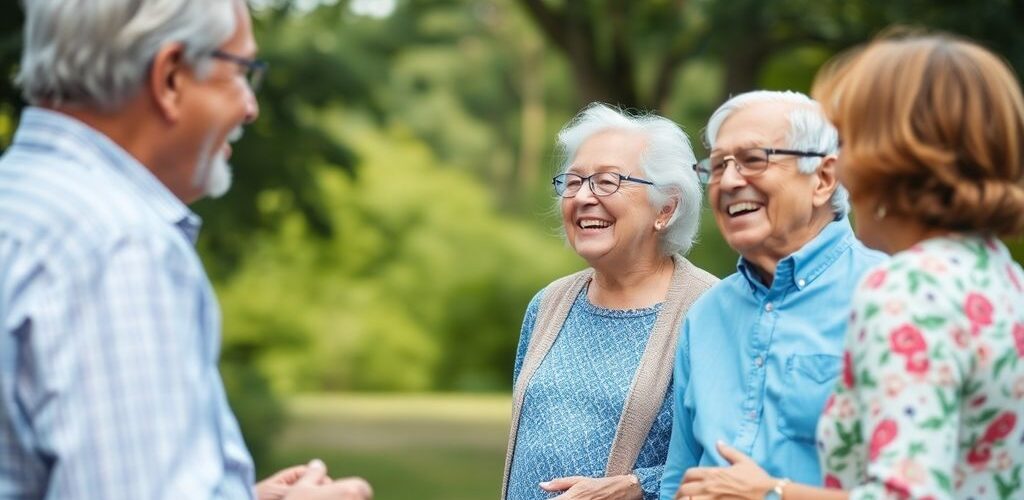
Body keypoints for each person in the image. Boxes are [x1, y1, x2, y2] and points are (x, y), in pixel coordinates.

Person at [0, 1, 370, 499]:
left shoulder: (21, 205)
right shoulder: (120, 248)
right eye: (242, 72)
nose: (250, 107)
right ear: (170, 76)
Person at [673, 33, 1024, 500]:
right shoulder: (1002, 278)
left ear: (893, 156)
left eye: (853, 138)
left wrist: (770, 492)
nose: (844, 166)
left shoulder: (908, 290)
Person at [659, 90, 887, 500]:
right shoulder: (706, 313)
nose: (728, 181)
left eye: (753, 160)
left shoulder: (892, 298)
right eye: (718, 165)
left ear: (822, 178)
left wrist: (771, 493)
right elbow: (678, 478)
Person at [501, 103, 718, 500]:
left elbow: (726, 462)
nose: (583, 197)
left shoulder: (709, 311)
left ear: (666, 208)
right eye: (574, 181)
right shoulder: (549, 304)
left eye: (606, 182)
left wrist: (638, 487)